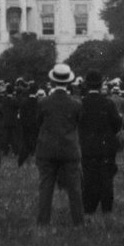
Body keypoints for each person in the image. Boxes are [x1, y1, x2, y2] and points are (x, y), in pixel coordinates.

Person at [34, 64, 84, 227]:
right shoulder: (76, 104)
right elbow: (79, 124)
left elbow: (37, 124)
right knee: (75, 189)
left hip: (47, 150)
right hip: (69, 150)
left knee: (45, 188)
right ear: (69, 82)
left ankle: (43, 221)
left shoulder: (43, 103)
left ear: (52, 81)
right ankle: (78, 222)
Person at [78, 71, 122, 215]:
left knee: (89, 179)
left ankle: (88, 209)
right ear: (101, 84)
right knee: (106, 179)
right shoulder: (108, 103)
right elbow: (117, 124)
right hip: (106, 146)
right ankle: (106, 209)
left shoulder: (81, 103)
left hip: (87, 146)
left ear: (86, 84)